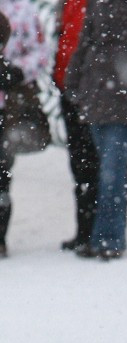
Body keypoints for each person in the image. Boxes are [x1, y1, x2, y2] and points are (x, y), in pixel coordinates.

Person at [64, 0, 127, 259]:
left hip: (123, 94)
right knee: (105, 171)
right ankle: (102, 236)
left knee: (113, 171)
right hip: (97, 90)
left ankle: (110, 238)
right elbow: (86, 39)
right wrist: (74, 79)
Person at [0, 0, 49, 258]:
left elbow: (40, 53)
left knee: (1, 175)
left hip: (8, 109)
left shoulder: (24, 10)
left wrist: (16, 71)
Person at [53, 0, 99, 253]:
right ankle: (84, 230)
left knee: (91, 161)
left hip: (91, 87)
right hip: (69, 83)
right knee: (80, 162)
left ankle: (94, 231)